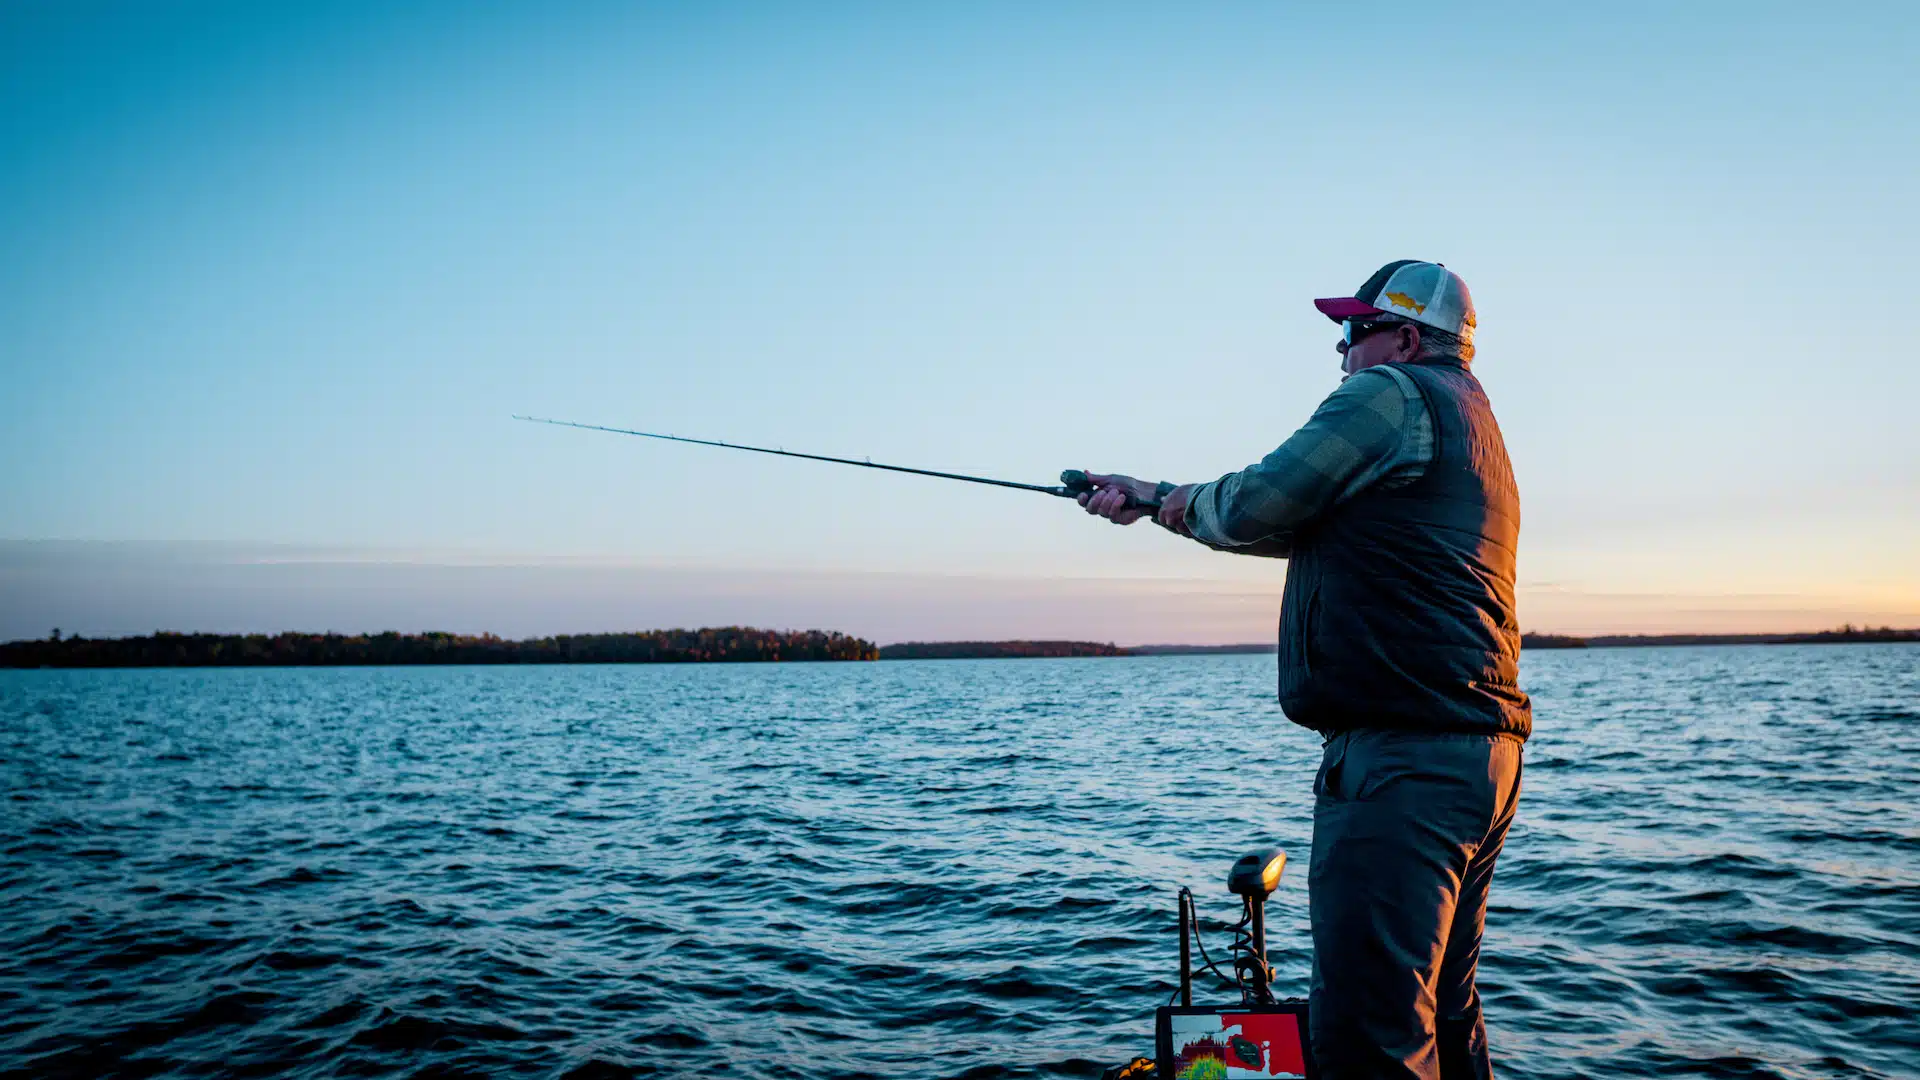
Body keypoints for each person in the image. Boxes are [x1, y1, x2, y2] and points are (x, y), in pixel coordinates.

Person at [1079, 261, 1529, 1080]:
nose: (1343, 350)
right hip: (1480, 758)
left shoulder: (1389, 394)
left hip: (1402, 763)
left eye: (1355, 332)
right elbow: (1297, 518)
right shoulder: (1473, 425)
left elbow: (1259, 500)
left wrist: (1164, 501)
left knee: (1372, 1035)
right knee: (1446, 1010)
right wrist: (1154, 497)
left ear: (1401, 337)